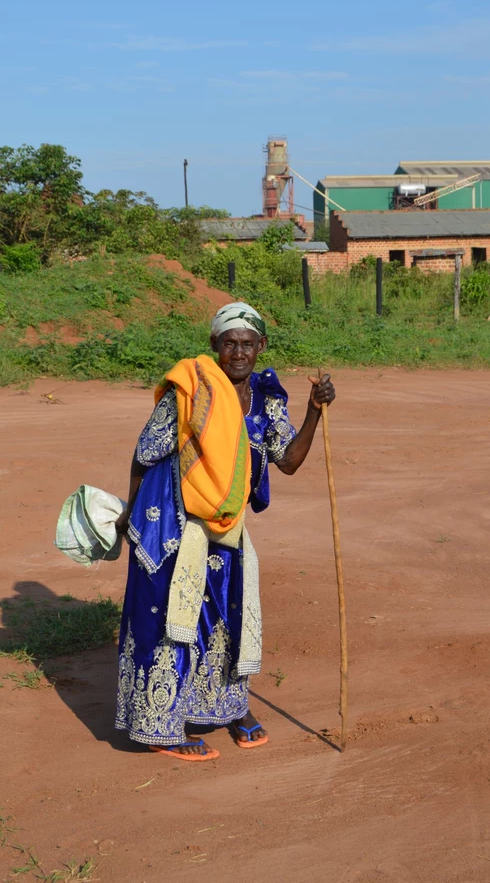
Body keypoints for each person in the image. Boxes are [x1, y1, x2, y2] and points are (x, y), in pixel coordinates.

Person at [114, 302, 336, 761]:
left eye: (247, 344)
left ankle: (223, 708)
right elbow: (144, 453)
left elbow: (289, 462)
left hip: (223, 526)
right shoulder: (193, 389)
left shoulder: (267, 400)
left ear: (261, 347)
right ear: (215, 345)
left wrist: (315, 411)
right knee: (167, 622)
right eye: (229, 343)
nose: (238, 353)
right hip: (168, 522)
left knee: (222, 617)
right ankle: (159, 726)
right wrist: (130, 514)